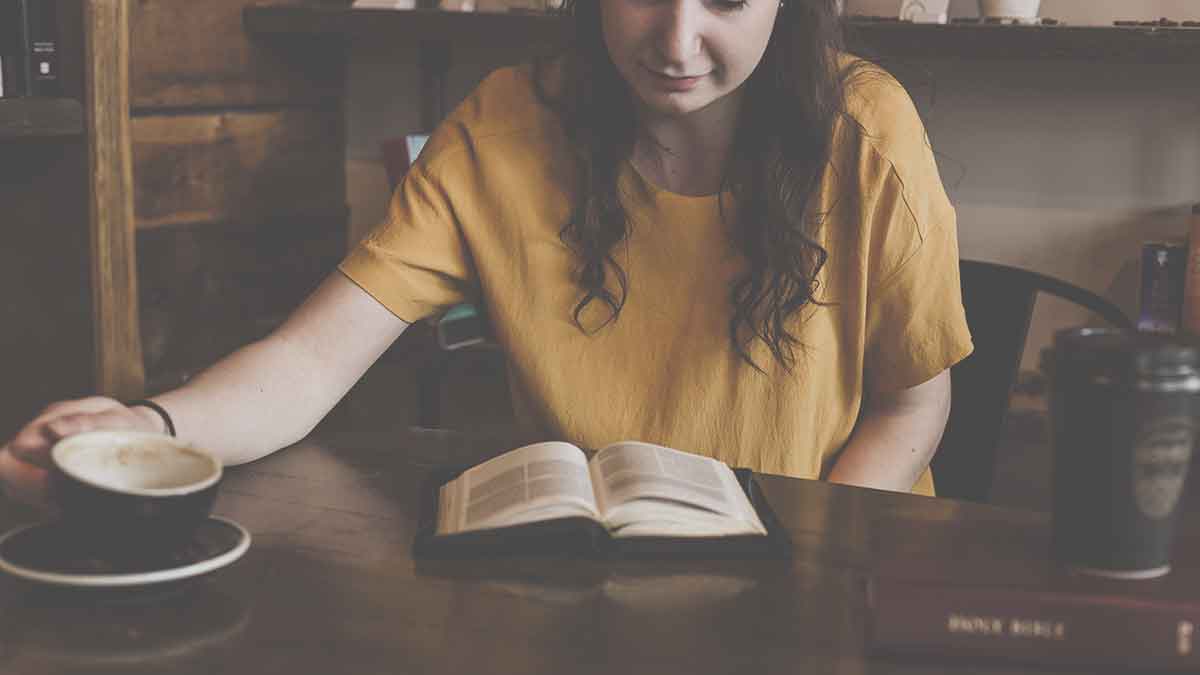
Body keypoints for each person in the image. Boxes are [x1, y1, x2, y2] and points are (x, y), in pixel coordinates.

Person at [0, 0, 972, 510]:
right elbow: (306, 363)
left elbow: (914, 401)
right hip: (589, 574)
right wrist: (151, 424)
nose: (679, 38)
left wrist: (808, 560)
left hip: (820, 578)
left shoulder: (866, 129)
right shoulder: (505, 122)